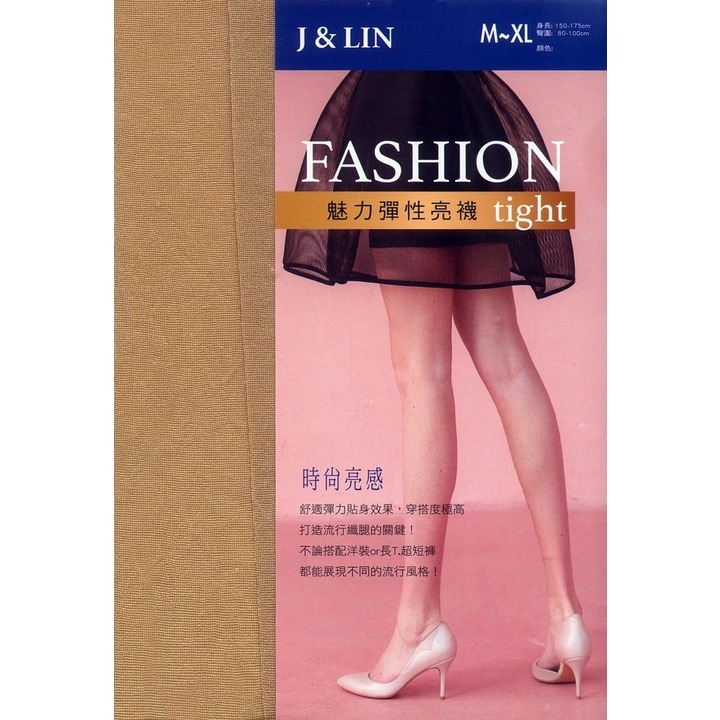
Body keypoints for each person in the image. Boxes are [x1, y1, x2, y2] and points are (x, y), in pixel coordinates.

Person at [283, 71, 592, 700]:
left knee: (423, 372)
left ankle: (418, 622)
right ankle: (566, 615)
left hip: (398, 113)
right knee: (506, 357)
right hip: (466, 109)